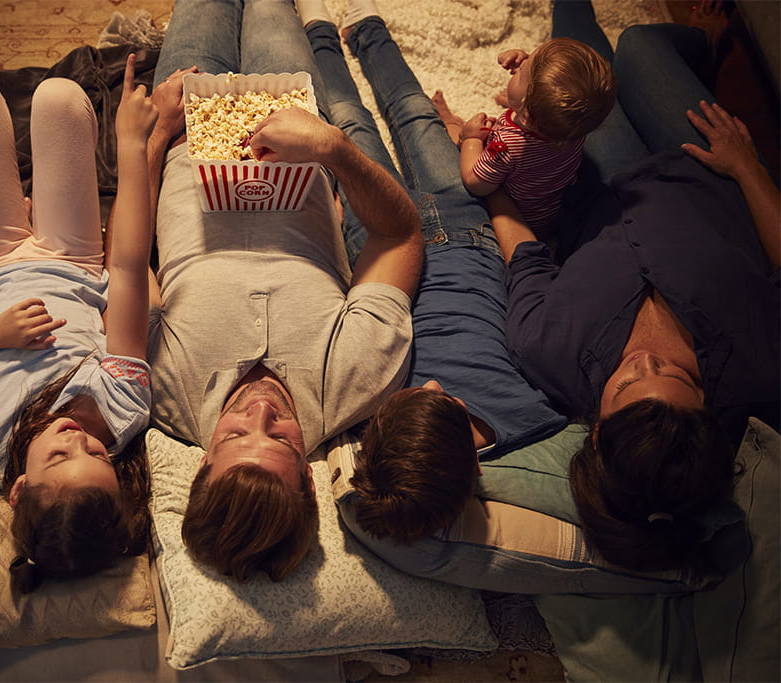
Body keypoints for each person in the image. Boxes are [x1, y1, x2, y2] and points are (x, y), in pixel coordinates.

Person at [488, 0, 779, 572]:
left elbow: (524, 254)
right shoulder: (762, 364)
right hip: (710, 172)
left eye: (626, 386)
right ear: (707, 412)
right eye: (675, 376)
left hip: (603, 182)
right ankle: (702, 44)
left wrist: (485, 177)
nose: (645, 361)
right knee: (646, 44)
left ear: (595, 433)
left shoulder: (549, 352)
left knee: (590, 71)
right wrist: (748, 166)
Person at [145, 0, 423, 582]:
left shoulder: (160, 391)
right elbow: (399, 235)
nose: (261, 412)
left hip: (184, 142)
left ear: (200, 463)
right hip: (296, 136)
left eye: (235, 434)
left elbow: (125, 264)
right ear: (311, 474)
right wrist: (332, 148)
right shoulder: (359, 379)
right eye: (283, 440)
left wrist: (153, 142)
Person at [294, 0, 566, 545]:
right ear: (477, 469)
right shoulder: (540, 416)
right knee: (416, 112)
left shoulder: (372, 433)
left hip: (379, 244)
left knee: (347, 122)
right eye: (447, 402)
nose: (435, 382)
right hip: (469, 227)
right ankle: (367, 26)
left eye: (420, 394)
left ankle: (320, 30)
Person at [0, 58, 158, 594]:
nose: (78, 440)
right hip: (71, 258)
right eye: (97, 457)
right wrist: (133, 143)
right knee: (61, 99)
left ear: (18, 488)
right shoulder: (122, 410)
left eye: (59, 457)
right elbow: (128, 273)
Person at [430, 34, 616, 235]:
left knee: (460, 134)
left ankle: (448, 120)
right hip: (552, 209)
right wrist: (526, 74)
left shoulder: (508, 144)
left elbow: (476, 182)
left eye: (521, 72)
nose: (519, 65)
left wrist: (472, 139)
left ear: (526, 115)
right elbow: (549, 92)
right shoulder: (575, 125)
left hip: (520, 217)